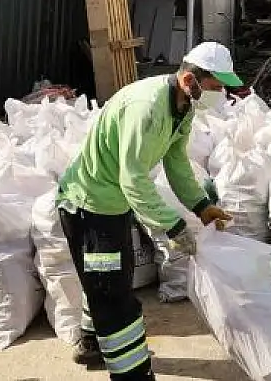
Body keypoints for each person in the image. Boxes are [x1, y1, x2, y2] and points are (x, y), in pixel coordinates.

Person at [56, 41, 238, 380]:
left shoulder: (184, 106)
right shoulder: (147, 107)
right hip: (88, 208)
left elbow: (177, 161)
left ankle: (91, 344)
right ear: (189, 79)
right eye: (216, 86)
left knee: (109, 279)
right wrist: (172, 227)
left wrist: (201, 206)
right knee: (113, 295)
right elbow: (133, 179)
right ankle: (133, 373)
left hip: (110, 205)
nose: (220, 94)